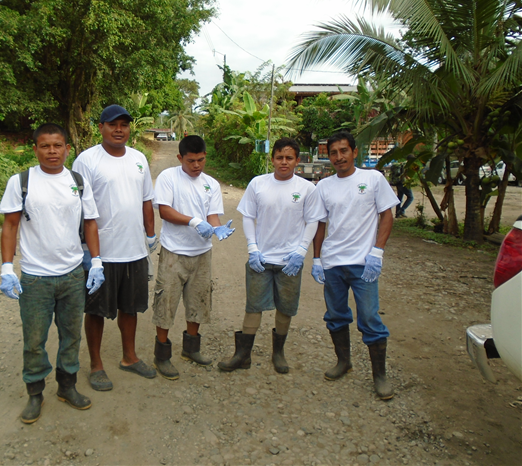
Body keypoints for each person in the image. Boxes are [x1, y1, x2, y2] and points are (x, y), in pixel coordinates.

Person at [0, 123, 104, 424]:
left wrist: (96, 262)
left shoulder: (78, 181)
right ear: (35, 149)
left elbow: (91, 223)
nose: (52, 151)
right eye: (45, 146)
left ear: (67, 149)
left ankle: (67, 387)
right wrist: (8, 268)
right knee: (34, 339)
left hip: (72, 275)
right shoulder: (21, 182)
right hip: (35, 278)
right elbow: (10, 226)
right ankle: (34, 393)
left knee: (71, 336)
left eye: (58, 145)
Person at [306, 131, 399, 400]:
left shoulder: (372, 179)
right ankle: (343, 361)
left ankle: (379, 376)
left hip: (363, 264)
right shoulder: (324, 186)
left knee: (369, 317)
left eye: (343, 151)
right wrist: (317, 258)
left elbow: (386, 215)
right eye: (333, 153)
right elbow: (321, 224)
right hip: (333, 264)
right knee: (335, 315)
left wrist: (377, 253)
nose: (339, 157)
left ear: (354, 152)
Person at [72, 105, 158, 392]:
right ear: (101, 128)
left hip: (134, 249)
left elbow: (147, 200)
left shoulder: (138, 159)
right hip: (102, 253)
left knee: (130, 308)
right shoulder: (87, 161)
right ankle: (96, 365)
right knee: (95, 310)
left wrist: (150, 237)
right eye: (113, 124)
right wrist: (87, 251)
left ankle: (129, 357)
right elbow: (79, 208)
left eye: (124, 124)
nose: (119, 129)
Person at [218, 138, 318, 374]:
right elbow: (249, 217)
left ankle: (279, 353)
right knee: (253, 306)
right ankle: (242, 355)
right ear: (272, 159)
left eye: (289, 158)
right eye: (280, 157)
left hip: (289, 262)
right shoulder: (258, 184)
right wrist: (253, 249)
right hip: (260, 260)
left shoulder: (307, 189)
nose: (284, 162)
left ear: (297, 160)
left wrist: (301, 251)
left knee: (286, 307)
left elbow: (312, 220)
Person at [151, 135, 234, 380]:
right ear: (180, 158)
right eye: (191, 161)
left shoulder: (212, 184)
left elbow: (213, 216)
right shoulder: (168, 177)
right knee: (165, 302)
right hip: (173, 252)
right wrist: (193, 220)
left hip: (201, 254)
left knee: (198, 301)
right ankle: (162, 355)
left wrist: (218, 229)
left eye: (201, 160)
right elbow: (164, 211)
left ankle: (191, 349)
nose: (196, 166)